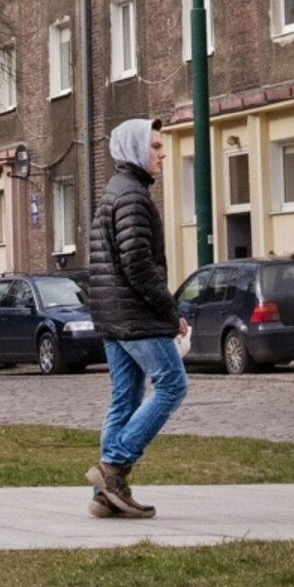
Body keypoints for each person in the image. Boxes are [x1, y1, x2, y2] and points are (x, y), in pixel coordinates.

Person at [85, 119, 185, 518]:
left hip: (114, 317)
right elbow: (138, 264)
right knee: (172, 385)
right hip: (135, 316)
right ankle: (114, 467)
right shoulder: (132, 198)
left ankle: (105, 497)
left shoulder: (117, 192)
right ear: (135, 150)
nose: (162, 153)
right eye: (155, 146)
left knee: (125, 398)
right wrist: (171, 310)